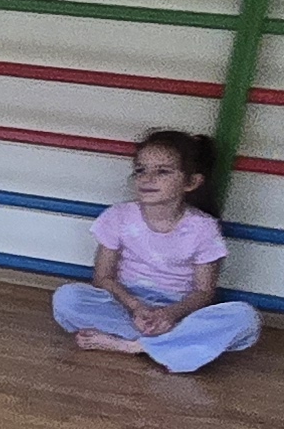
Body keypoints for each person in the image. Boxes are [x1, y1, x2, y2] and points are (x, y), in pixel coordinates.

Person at [52, 130, 261, 372]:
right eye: (141, 170)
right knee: (67, 298)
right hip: (126, 304)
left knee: (245, 318)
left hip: (179, 311)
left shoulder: (203, 228)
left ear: (191, 182)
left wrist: (169, 314)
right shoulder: (117, 216)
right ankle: (170, 346)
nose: (148, 178)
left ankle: (132, 346)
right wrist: (136, 307)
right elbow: (103, 278)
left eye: (162, 171)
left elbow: (204, 292)